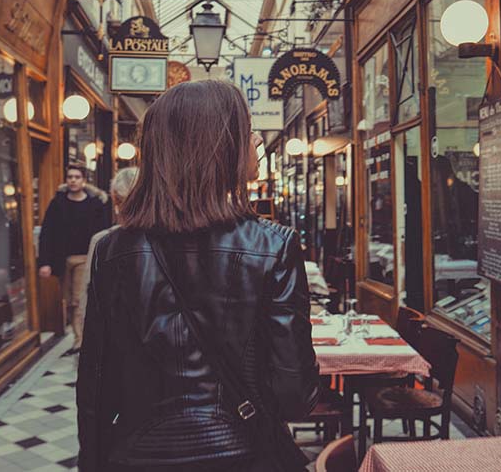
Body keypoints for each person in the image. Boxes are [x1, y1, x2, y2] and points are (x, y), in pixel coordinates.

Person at [77, 80, 319, 472]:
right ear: (219, 148)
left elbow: (96, 387)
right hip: (245, 456)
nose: (256, 139)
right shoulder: (274, 246)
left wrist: (93, 462)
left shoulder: (112, 250)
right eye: (246, 129)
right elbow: (295, 396)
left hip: (139, 455)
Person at [38, 164, 110, 355]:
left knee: (79, 299)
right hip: (63, 260)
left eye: (77, 177)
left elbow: (104, 234)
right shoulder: (57, 204)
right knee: (69, 301)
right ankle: (80, 336)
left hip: (84, 259)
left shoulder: (95, 204)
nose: (73, 180)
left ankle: (80, 341)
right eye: (70, 177)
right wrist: (44, 262)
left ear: (84, 180)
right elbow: (47, 233)